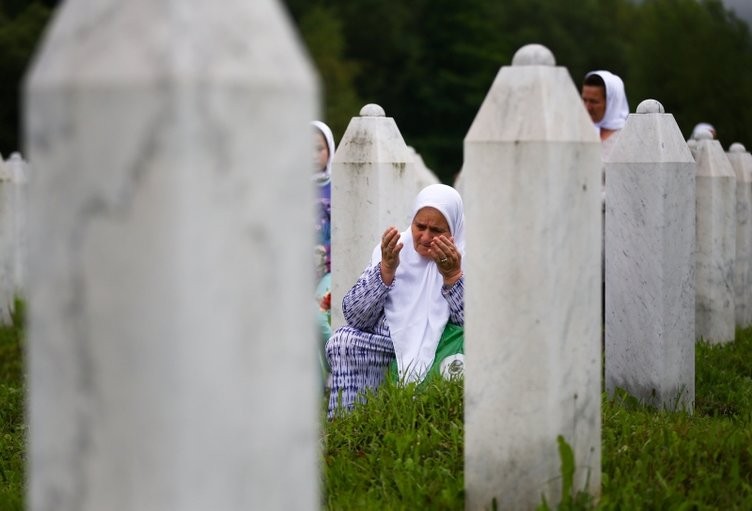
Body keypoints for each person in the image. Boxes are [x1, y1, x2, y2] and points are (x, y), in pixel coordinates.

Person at [325, 184, 465, 418]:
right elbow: (356, 316)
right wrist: (386, 269)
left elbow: (475, 326)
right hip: (391, 342)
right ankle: (351, 426)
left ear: (453, 230)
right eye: (420, 226)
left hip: (442, 344)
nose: (426, 236)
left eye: (437, 230)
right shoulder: (395, 248)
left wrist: (452, 276)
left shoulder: (467, 254)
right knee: (344, 340)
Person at [311, 120, 335, 384]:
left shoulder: (337, 186)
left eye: (318, 148)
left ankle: (338, 365)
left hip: (328, 270)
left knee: (317, 320)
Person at [581, 70, 630, 157]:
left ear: (612, 102)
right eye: (584, 100)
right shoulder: (581, 132)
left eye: (594, 102)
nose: (587, 107)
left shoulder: (628, 138)